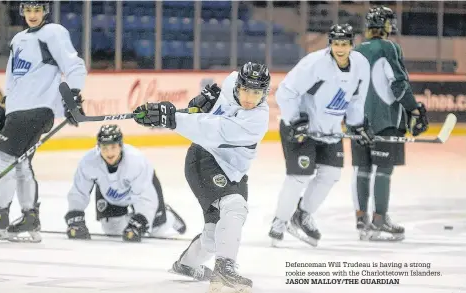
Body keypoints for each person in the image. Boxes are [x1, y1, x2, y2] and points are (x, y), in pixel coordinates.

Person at [132, 62, 270, 292]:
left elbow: (212, 129)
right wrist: (206, 100)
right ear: (238, 86)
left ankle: (186, 265)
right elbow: (212, 102)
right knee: (235, 207)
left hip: (231, 169)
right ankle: (225, 268)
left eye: (257, 93)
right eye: (246, 90)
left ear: (264, 94)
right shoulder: (230, 83)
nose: (250, 97)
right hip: (204, 159)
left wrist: (170, 118)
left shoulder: (257, 121)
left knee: (215, 235)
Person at [0, 0, 87, 243]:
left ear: (45, 11)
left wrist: (73, 96)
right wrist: (3, 107)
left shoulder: (53, 33)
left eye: (37, 10)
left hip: (37, 109)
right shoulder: (18, 39)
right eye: (28, 10)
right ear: (22, 11)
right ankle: (28, 218)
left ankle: (0, 215)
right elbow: (14, 79)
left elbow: (74, 65)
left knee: (3, 158)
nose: (32, 15)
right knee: (20, 164)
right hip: (19, 110)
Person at [268, 24, 372, 247]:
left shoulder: (361, 66)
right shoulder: (315, 64)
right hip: (301, 128)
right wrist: (296, 120)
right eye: (336, 44)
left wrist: (358, 125)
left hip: (330, 131)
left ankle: (302, 214)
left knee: (331, 174)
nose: (340, 48)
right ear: (330, 44)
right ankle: (280, 221)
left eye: (345, 44)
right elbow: (286, 91)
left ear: (352, 45)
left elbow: (356, 100)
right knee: (299, 176)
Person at [351, 7, 429, 241]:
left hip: (358, 122)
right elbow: (398, 85)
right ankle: (379, 219)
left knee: (362, 170)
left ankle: (361, 220)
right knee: (383, 171)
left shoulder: (355, 50)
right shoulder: (389, 47)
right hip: (386, 121)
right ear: (386, 25)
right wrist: (414, 109)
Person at [64, 124, 187, 242]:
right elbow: (79, 190)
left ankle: (168, 215)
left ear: (120, 145)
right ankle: (132, 220)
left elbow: (145, 195)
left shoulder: (136, 161)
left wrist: (141, 219)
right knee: (113, 231)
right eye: (104, 148)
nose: (109, 153)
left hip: (142, 193)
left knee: (156, 230)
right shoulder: (89, 161)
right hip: (111, 195)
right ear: (98, 147)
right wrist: (75, 215)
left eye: (113, 147)